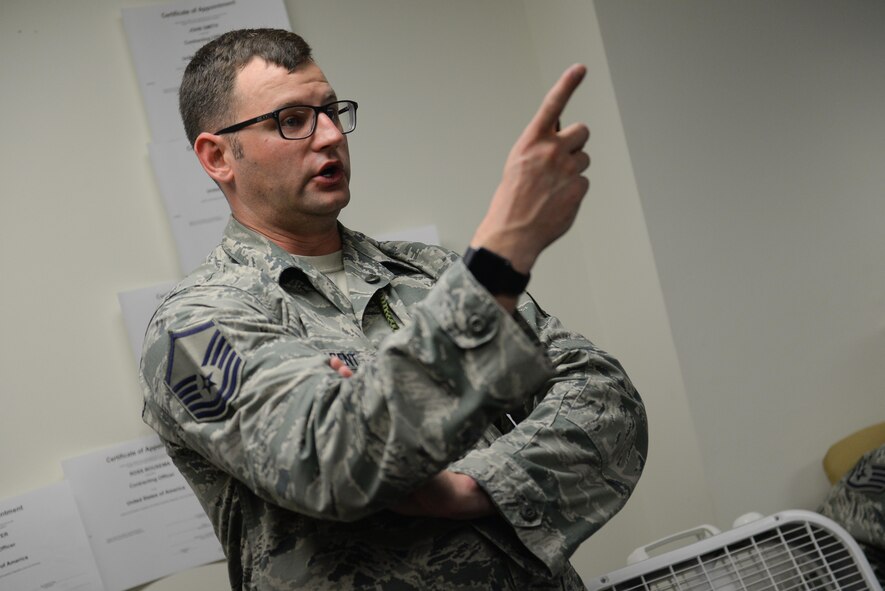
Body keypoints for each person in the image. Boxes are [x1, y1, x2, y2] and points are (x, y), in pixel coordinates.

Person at [140, 28, 648, 590]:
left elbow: (604, 393)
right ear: (218, 157)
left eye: (332, 111)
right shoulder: (192, 327)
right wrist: (504, 253)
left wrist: (479, 487)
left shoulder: (431, 271)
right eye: (292, 120)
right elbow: (331, 460)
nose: (330, 135)